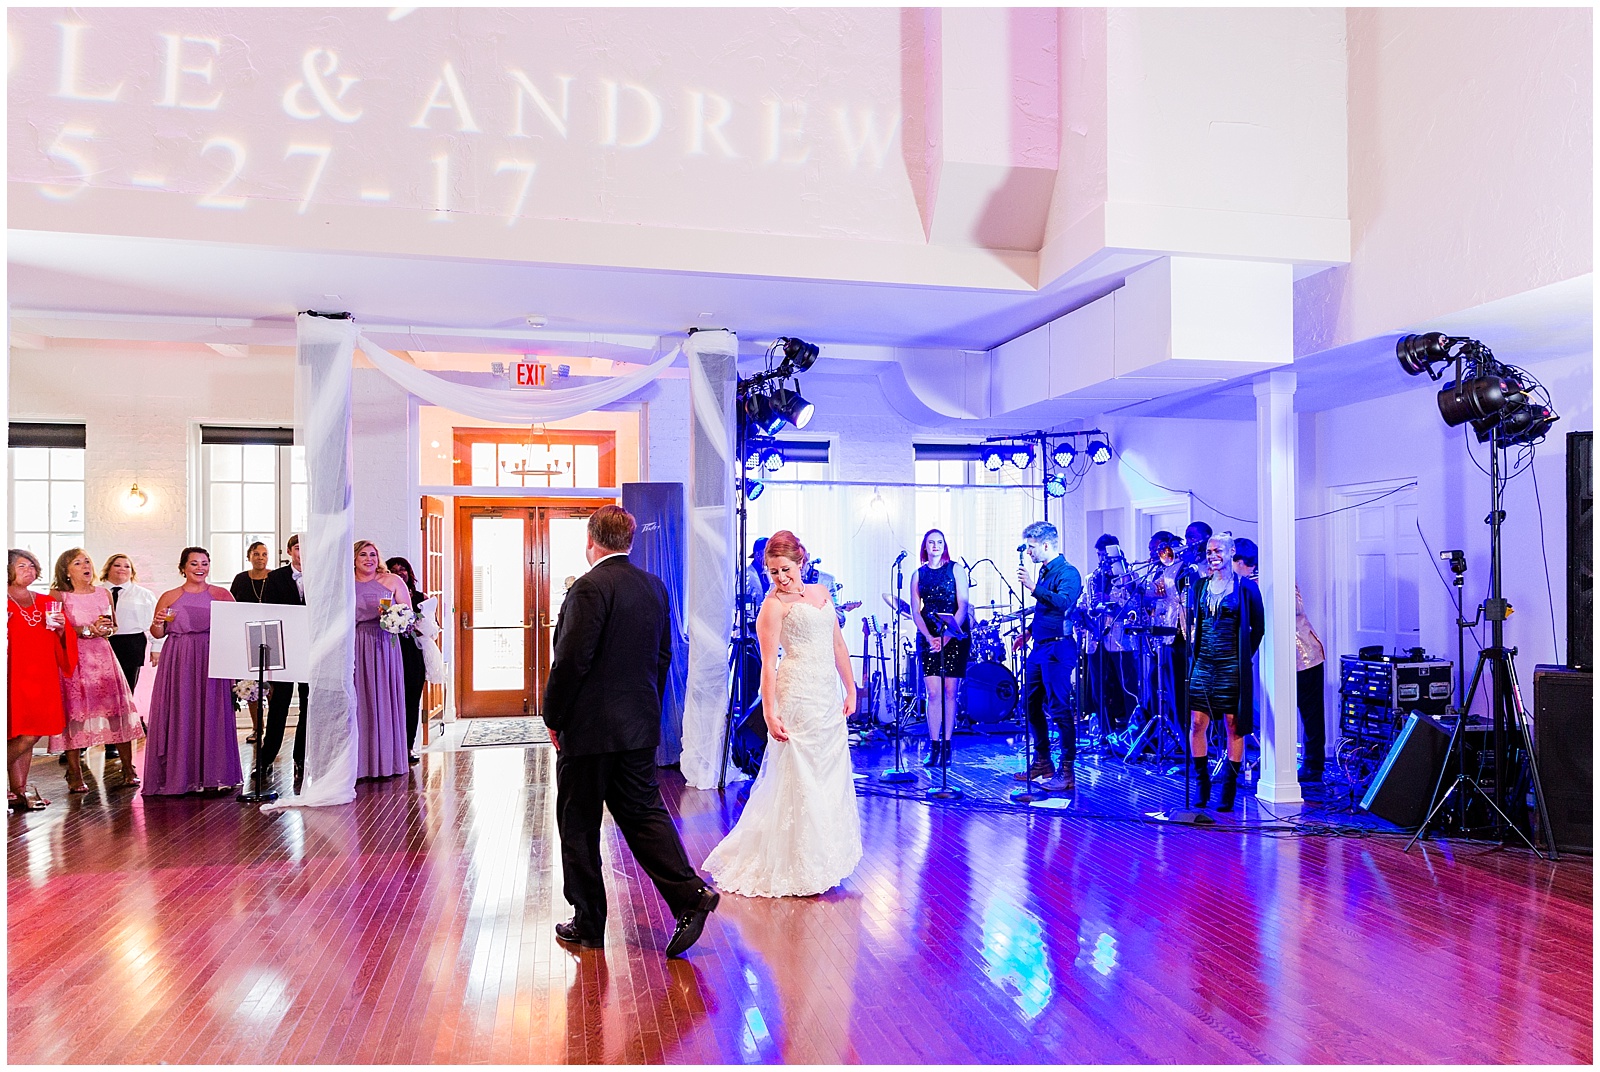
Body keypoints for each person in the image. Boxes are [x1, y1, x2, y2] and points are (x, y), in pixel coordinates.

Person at [544, 505, 718, 956]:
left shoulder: (588, 588)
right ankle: (691, 896)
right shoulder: (654, 587)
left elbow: (571, 662)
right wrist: (646, 710)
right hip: (638, 727)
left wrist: (553, 717)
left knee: (578, 823)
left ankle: (588, 922)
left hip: (588, 732)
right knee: (644, 816)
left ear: (591, 541)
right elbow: (664, 657)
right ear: (630, 541)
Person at [703, 529, 863, 897]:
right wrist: (770, 712)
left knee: (828, 774)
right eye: (773, 571)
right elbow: (768, 666)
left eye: (786, 569)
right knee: (799, 775)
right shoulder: (772, 607)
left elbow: (838, 643)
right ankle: (797, 860)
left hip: (826, 694)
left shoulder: (822, 594)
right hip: (797, 696)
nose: (781, 578)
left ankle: (826, 858)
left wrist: (851, 688)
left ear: (801, 563)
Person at [144, 547, 244, 797]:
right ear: (183, 568)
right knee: (181, 711)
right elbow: (158, 633)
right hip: (179, 658)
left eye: (205, 563)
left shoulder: (221, 594)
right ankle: (180, 776)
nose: (200, 568)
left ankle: (214, 774)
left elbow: (236, 626)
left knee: (212, 711)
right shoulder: (169, 596)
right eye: (194, 563)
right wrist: (157, 623)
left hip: (212, 655)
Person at [49, 549, 145, 792]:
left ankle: (128, 767)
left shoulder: (103, 593)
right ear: (66, 571)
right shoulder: (59, 596)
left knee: (117, 710)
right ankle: (74, 771)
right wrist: (86, 630)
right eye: (78, 562)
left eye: (88, 561)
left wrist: (106, 629)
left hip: (103, 657)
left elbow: (113, 626)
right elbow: (55, 630)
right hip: (74, 658)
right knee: (74, 713)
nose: (85, 565)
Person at [1183, 533, 1264, 811]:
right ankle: (1202, 784)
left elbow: (1258, 628)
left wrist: (1241, 657)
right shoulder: (1200, 586)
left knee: (1233, 725)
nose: (1212, 555)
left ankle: (1228, 788)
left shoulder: (1246, 588)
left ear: (1231, 553)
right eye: (1209, 550)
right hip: (1204, 663)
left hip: (1231, 664)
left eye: (1218, 550)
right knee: (1197, 724)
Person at [1014, 521, 1084, 794]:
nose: (1029, 552)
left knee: (1059, 707)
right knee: (1029, 703)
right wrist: (1029, 632)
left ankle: (1067, 771)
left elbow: (1064, 602)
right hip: (1041, 646)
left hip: (1059, 648)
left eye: (1032, 547)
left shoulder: (1068, 572)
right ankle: (1043, 761)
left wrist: (1032, 586)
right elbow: (1045, 609)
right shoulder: (1044, 572)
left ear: (1046, 545)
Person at [7, 549, 74, 811]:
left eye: (33, 566)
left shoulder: (46, 601)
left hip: (42, 674)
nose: (29, 571)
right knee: (21, 732)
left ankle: (19, 789)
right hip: (13, 672)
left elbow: (65, 639)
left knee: (31, 733)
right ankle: (17, 789)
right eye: (22, 566)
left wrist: (60, 630)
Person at [910, 528, 969, 768]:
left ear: (945, 546)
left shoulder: (956, 569)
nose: (935, 545)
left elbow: (963, 605)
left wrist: (947, 637)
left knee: (949, 692)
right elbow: (915, 610)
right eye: (931, 542)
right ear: (925, 546)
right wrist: (929, 636)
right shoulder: (918, 574)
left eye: (940, 542)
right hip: (928, 633)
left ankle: (947, 745)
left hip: (953, 633)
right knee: (932, 692)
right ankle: (933, 745)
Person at [353, 540, 410, 780]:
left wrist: (396, 618)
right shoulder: (345, 583)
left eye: (373, 555)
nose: (369, 559)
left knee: (384, 699)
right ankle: (359, 764)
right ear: (354, 558)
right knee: (359, 701)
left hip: (385, 645)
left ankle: (388, 761)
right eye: (364, 555)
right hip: (356, 644)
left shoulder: (392, 581)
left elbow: (409, 615)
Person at [260, 535, 308, 791]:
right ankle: (267, 758)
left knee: (308, 704)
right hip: (285, 647)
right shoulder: (276, 577)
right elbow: (268, 612)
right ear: (290, 551)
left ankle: (301, 758)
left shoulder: (320, 574)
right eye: (298, 547)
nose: (302, 552)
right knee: (279, 703)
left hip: (311, 647)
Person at [1084, 534, 1135, 739]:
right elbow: (1086, 604)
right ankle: (1104, 731)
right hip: (1095, 639)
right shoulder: (1091, 578)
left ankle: (1132, 731)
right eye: (1099, 554)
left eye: (1106, 554)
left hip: (1119, 640)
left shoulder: (1127, 578)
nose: (1102, 559)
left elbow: (1134, 608)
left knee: (1127, 687)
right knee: (1098, 688)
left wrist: (1110, 603)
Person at [229, 541, 273, 743]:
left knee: (272, 687)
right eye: (256, 554)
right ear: (249, 557)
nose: (260, 558)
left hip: (271, 637)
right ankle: (258, 728)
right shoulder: (240, 579)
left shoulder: (274, 578)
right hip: (246, 636)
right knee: (251, 686)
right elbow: (232, 606)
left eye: (264, 554)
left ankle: (273, 728)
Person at [385, 555, 427, 764]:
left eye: (404, 569)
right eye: (394, 569)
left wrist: (417, 625)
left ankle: (409, 747)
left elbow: (432, 627)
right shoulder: (386, 597)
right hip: (391, 650)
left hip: (412, 653)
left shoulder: (421, 597)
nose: (400, 573)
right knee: (391, 700)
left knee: (412, 700)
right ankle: (391, 746)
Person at [100, 553, 159, 692]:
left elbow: (155, 621)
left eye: (127, 566)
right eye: (117, 565)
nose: (122, 569)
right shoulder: (96, 592)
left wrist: (156, 647)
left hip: (131, 644)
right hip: (101, 642)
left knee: (127, 688)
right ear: (108, 568)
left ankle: (126, 714)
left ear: (132, 572)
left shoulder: (144, 595)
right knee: (102, 688)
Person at [1294, 585, 1327, 783]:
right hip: (1286, 658)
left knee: (1311, 714)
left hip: (1306, 655)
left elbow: (1294, 608)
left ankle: (1314, 765)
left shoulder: (1282, 577)